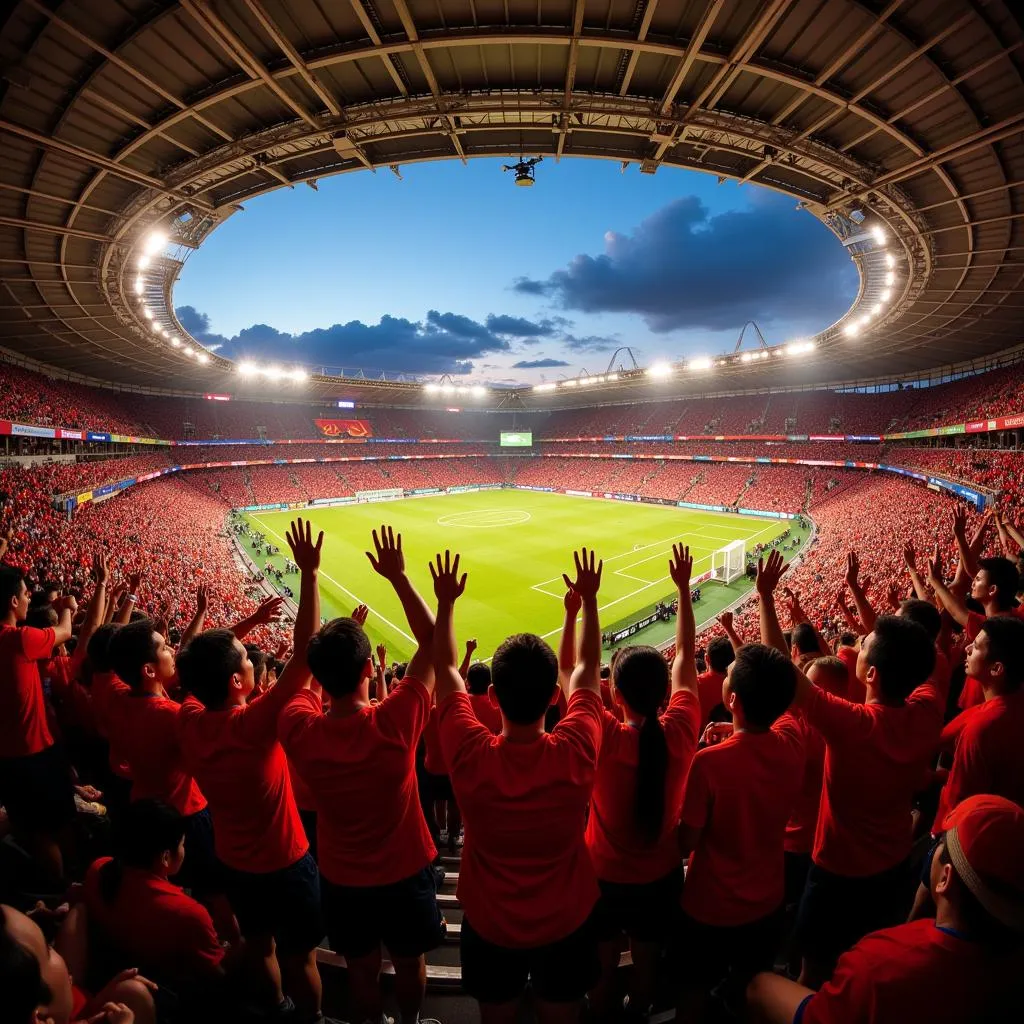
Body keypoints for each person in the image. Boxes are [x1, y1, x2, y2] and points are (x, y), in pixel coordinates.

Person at [279, 524, 444, 1024]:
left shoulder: (299, 727)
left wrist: (308, 576)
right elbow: (434, 640)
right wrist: (397, 576)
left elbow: (297, 667)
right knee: (411, 960)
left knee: (360, 967)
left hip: (342, 875)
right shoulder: (395, 722)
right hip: (405, 867)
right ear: (370, 670)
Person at [434, 546, 605, 1024]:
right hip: (568, 917)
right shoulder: (577, 747)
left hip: (489, 921)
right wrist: (588, 603)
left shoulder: (469, 752)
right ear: (555, 698)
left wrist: (445, 602)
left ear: (491, 696)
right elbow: (588, 670)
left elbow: (445, 670)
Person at [176, 518, 329, 1024]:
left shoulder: (192, 718)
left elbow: (193, 667)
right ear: (241, 679)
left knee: (261, 946)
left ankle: (276, 1006)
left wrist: (245, 629)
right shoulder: (254, 724)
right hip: (286, 860)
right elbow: (307, 654)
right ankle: (310, 1017)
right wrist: (309, 574)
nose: (248, 657)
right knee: (301, 954)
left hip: (234, 863)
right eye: (244, 657)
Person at [747, 794, 1024, 1023]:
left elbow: (817, 1017)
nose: (934, 848)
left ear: (944, 878)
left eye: (940, 844)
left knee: (759, 985)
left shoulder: (879, 967)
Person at [675, 551, 804, 1024]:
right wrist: (766, 599)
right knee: (753, 990)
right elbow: (784, 679)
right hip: (767, 900)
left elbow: (685, 841)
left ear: (731, 699)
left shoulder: (708, 765)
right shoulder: (792, 743)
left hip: (709, 905)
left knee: (691, 988)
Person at [792, 591, 942, 986]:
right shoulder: (927, 710)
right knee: (866, 964)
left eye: (863, 645)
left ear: (871, 673)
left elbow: (784, 669)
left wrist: (766, 599)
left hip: (835, 874)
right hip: (892, 866)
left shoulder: (852, 726)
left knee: (813, 972)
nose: (857, 644)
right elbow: (916, 658)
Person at [587, 544, 701, 1021]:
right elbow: (686, 663)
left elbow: (580, 677)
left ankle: (605, 1004)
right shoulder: (680, 729)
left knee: (603, 954)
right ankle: (641, 1006)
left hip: (604, 873)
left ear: (615, 692)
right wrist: (683, 591)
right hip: (660, 873)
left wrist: (587, 604)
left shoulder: (605, 738)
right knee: (650, 952)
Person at [81, 799, 229, 993]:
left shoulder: (99, 869)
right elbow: (216, 974)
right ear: (165, 857)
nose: (185, 850)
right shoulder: (189, 913)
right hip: (170, 992)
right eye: (183, 844)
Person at [0, 564, 77, 884]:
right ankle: (65, 891)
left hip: (6, 759)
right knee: (56, 828)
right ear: (12, 602)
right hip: (36, 755)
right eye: (24, 593)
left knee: (32, 829)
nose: (29, 597)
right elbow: (65, 632)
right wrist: (67, 609)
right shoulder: (19, 640)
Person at [0, 902, 157, 1024]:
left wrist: (96, 1002)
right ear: (40, 1019)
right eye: (48, 948)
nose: (55, 949)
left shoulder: (48, 1008)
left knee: (131, 991)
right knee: (136, 994)